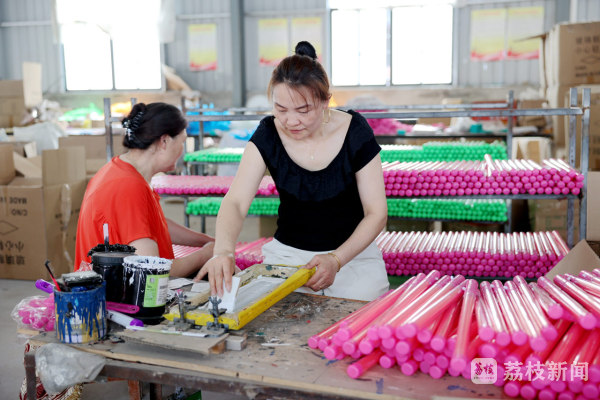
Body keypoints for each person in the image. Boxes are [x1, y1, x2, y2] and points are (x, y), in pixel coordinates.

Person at [195, 41, 390, 301]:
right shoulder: (269, 133)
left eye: (303, 110)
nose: (291, 121)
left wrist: (336, 259)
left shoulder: (355, 131)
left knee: (359, 317)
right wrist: (223, 251)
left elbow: (376, 213)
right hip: (288, 257)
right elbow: (236, 201)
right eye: (281, 109)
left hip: (353, 256)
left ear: (325, 102)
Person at [74, 102, 215, 277]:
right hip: (116, 300)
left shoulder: (122, 171)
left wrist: (207, 242)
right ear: (164, 141)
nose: (182, 151)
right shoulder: (128, 187)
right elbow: (154, 270)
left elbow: (155, 225)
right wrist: (206, 255)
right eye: (182, 142)